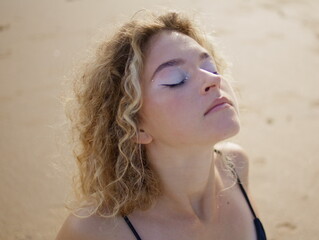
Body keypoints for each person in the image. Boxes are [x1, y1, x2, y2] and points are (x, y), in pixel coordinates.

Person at [56, 10, 266, 240]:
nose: (212, 80)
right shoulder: (96, 231)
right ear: (134, 125)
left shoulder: (235, 167)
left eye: (211, 68)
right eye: (176, 79)